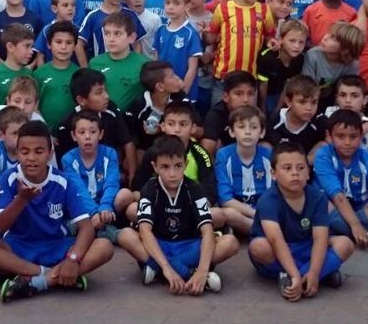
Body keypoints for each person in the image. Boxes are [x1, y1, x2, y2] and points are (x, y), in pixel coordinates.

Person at [0, 121, 114, 302]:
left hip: (55, 246)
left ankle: (36, 282)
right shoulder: (9, 177)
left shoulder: (63, 181)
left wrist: (73, 259)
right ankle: (52, 276)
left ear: (50, 153)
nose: (31, 157)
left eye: (39, 151)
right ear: (17, 153)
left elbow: (86, 227)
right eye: (25, 152)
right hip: (18, 248)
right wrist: (21, 199)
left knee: (104, 247)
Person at [118, 134, 237, 294]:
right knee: (125, 235)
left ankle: (158, 270)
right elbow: (145, 231)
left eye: (178, 165)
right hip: (160, 245)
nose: (172, 173)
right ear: (155, 167)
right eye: (165, 167)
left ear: (185, 164)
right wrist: (168, 268)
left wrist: (202, 270)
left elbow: (207, 230)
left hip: (190, 246)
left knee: (230, 242)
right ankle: (187, 274)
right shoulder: (149, 189)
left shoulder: (194, 189)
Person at [248, 141, 353, 300]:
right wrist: (295, 274)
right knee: (258, 247)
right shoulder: (267, 200)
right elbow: (276, 240)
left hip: (306, 247)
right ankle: (305, 275)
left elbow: (320, 238)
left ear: (308, 172)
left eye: (301, 168)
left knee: (345, 244)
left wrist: (313, 272)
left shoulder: (317, 197)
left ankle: (306, 278)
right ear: (273, 173)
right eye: (287, 168)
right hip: (277, 252)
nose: (295, 173)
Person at [313, 109, 368, 249]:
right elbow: (336, 194)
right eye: (340, 136)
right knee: (321, 206)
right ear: (329, 136)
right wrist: (355, 225)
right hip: (333, 205)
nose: (347, 142)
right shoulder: (324, 155)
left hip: (359, 206)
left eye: (353, 137)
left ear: (361, 137)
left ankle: (339, 230)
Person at [214, 106, 273, 236]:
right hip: (239, 212)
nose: (247, 132)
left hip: (265, 211)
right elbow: (225, 199)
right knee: (228, 213)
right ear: (231, 131)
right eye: (241, 127)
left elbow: (274, 194)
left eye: (253, 127)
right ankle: (266, 232)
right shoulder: (224, 156)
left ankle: (260, 231)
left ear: (262, 132)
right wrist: (255, 214)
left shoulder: (269, 156)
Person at [89, 12, 150, 113]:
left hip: (131, 123)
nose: (111, 39)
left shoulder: (144, 64)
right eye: (107, 33)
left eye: (117, 33)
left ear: (132, 37)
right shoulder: (95, 63)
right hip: (102, 122)